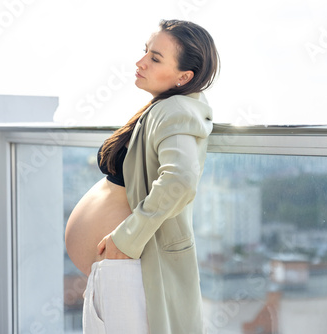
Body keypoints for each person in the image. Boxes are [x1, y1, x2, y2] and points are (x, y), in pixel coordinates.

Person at [64, 19, 219, 334]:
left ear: (184, 77)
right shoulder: (163, 106)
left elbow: (180, 179)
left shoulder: (176, 109)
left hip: (130, 268)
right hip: (119, 268)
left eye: (155, 58)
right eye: (146, 52)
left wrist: (127, 237)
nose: (141, 62)